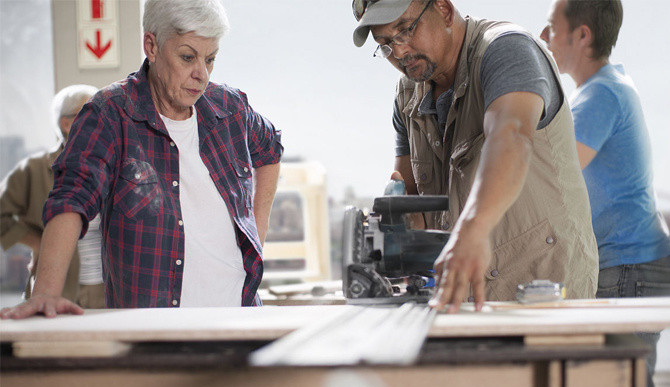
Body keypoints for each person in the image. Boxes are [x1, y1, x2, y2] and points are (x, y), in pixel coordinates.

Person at [0, 0, 282, 319]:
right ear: (152, 45)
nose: (201, 74)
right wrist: (46, 294)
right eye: (187, 57)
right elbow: (71, 198)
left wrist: (257, 230)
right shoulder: (109, 114)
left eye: (210, 59)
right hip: (152, 329)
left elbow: (270, 148)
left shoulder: (230, 108)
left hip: (240, 319)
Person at [352, 0, 598, 313]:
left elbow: (511, 137)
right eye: (385, 44)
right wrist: (395, 229)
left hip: (546, 297)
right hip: (466, 302)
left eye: (405, 30)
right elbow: (412, 202)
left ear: (443, 9)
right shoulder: (406, 97)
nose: (399, 52)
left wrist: (473, 228)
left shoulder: (507, 50)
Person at [540, 1, 670, 387]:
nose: (544, 37)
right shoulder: (606, 87)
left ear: (582, 35)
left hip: (630, 265)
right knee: (621, 380)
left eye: (551, 27)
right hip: (636, 263)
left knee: (616, 383)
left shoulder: (600, 96)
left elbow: (554, 177)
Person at [0, 85, 105, 309]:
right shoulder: (33, 169)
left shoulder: (113, 166)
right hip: (58, 287)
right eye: (91, 113)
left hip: (105, 290)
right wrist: (37, 242)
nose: (101, 121)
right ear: (66, 124)